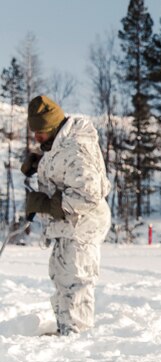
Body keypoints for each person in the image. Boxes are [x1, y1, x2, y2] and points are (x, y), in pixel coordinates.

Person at [21, 95, 112, 335]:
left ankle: (76, 336)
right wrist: (40, 162)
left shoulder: (75, 149)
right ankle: (66, 329)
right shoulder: (59, 142)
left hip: (83, 225)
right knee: (61, 276)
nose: (36, 137)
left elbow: (89, 194)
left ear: (52, 127)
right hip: (68, 227)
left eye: (40, 132)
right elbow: (64, 167)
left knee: (75, 280)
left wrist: (46, 204)